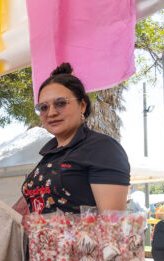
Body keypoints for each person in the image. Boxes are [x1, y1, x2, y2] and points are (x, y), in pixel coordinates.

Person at [21, 63, 130, 214]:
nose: (51, 113)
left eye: (61, 103)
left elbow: (112, 225)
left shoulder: (102, 148)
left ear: (83, 105)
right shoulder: (48, 155)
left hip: (83, 238)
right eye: (44, 107)